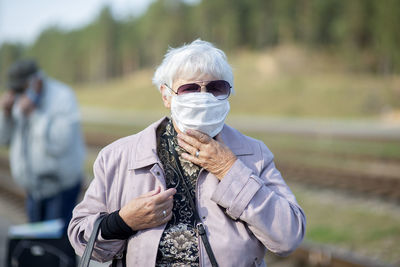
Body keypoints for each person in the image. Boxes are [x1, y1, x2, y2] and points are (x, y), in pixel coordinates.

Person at [68, 40, 306, 267]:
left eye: (215, 87)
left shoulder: (254, 154)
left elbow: (288, 236)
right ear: (166, 96)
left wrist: (230, 170)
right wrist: (122, 222)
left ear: (227, 93)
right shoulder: (118, 157)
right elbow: (81, 236)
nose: (203, 96)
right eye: (189, 88)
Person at [0, 59, 85, 228]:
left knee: (56, 246)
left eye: (21, 87)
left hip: (61, 188)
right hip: (33, 189)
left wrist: (33, 114)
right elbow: (4, 140)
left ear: (35, 81)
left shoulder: (63, 97)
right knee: (37, 244)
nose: (18, 93)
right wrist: (6, 114)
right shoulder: (18, 100)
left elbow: (60, 143)